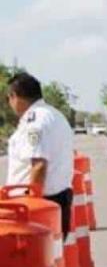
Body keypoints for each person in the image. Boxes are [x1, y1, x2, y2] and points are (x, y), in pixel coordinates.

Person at [5, 72, 74, 239]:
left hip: (36, 203)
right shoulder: (54, 115)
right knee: (52, 258)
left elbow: (39, 165)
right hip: (56, 199)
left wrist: (32, 206)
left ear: (15, 96)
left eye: (9, 98)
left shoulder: (35, 122)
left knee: (35, 260)